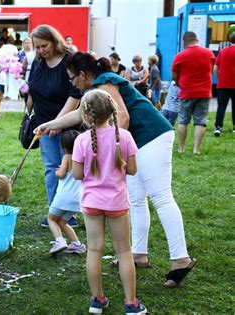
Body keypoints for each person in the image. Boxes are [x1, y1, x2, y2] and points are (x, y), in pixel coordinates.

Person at [35, 52, 197, 288]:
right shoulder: (94, 91)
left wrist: (107, 152)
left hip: (152, 136)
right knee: (136, 200)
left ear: (82, 75)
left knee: (161, 197)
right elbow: (80, 114)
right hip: (140, 140)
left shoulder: (104, 83)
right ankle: (138, 254)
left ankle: (181, 258)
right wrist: (49, 125)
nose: (72, 84)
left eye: (72, 79)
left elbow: (122, 117)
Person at [72, 89, 146, 314]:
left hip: (92, 203)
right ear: (112, 111)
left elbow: (77, 175)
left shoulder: (81, 140)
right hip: (117, 202)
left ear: (86, 115)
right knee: (124, 251)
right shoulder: (124, 136)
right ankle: (131, 304)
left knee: (94, 250)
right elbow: (132, 170)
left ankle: (97, 300)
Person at [27, 25, 82, 228]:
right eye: (37, 47)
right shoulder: (38, 62)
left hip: (69, 124)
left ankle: (69, 214)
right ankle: (54, 210)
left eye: (44, 46)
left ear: (54, 40)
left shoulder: (69, 60)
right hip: (44, 124)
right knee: (51, 168)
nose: (41, 50)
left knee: (68, 168)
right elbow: (32, 88)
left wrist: (59, 122)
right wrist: (30, 114)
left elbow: (75, 94)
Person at [172, 31, 215, 155]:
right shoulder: (209, 53)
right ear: (197, 39)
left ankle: (181, 148)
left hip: (187, 91)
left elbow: (174, 75)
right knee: (201, 120)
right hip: (204, 91)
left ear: (184, 42)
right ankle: (196, 149)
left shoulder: (180, 56)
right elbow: (210, 70)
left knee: (183, 120)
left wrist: (180, 82)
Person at [47, 130, 86, 255]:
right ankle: (77, 244)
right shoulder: (83, 158)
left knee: (51, 219)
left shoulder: (67, 157)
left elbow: (61, 174)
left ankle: (60, 241)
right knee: (62, 222)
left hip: (64, 197)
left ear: (63, 147)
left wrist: (57, 172)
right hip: (77, 198)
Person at [213, 32, 235, 137]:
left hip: (223, 84)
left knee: (221, 106)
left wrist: (219, 79)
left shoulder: (222, 52)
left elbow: (215, 68)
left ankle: (218, 127)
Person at [20, 37, 36, 105]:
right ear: (23, 44)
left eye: (29, 42)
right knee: (26, 92)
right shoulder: (20, 53)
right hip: (23, 74)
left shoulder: (35, 52)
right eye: (25, 43)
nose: (27, 44)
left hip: (32, 74)